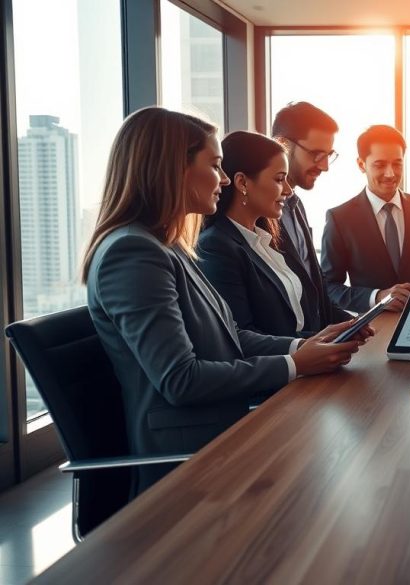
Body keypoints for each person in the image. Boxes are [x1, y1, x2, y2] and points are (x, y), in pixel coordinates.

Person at [81, 107, 371, 495]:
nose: (222, 178)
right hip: (192, 458)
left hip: (226, 430)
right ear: (173, 168)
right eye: (215, 165)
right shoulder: (133, 253)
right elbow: (180, 380)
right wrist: (293, 364)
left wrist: (302, 347)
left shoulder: (169, 247)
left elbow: (228, 334)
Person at [321, 125, 410, 313]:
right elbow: (329, 287)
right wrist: (377, 297)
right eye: (380, 165)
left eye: (397, 164)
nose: (390, 173)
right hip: (370, 327)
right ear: (361, 164)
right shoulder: (340, 218)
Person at [198, 131, 313, 337]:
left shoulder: (269, 238)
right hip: (281, 367)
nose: (289, 190)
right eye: (279, 179)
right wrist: (314, 342)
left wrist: (339, 332)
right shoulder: (215, 246)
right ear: (242, 183)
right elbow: (240, 335)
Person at [271, 101, 346, 326]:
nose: (324, 166)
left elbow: (315, 287)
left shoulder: (296, 205)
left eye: (329, 155)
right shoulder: (256, 215)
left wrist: (356, 324)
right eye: (316, 154)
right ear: (282, 144)